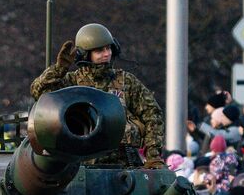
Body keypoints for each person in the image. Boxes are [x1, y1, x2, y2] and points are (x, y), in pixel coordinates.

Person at [31, 23, 164, 168]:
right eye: (99, 51)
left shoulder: (126, 81)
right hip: (80, 164)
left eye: (108, 48)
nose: (107, 54)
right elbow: (39, 92)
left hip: (124, 162)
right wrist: (58, 70)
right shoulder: (71, 82)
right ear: (85, 55)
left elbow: (153, 115)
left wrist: (153, 156)